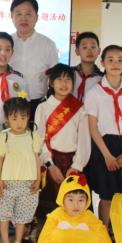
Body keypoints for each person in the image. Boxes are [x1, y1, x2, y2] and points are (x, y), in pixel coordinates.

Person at [86, 46, 122, 230]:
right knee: (107, 196)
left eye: (120, 60)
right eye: (110, 60)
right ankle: (104, 231)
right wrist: (107, 156)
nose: (116, 64)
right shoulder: (94, 93)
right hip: (104, 147)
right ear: (102, 63)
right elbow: (92, 127)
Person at [0, 31, 29, 237]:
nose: (3, 53)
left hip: (14, 139)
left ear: (12, 52)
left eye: (7, 49)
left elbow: (24, 106)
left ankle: (7, 216)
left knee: (12, 178)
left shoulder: (18, 78)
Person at [35, 64, 91, 217]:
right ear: (51, 83)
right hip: (52, 162)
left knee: (75, 204)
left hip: (73, 163)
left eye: (68, 79)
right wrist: (50, 165)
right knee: (51, 208)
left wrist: (76, 166)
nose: (64, 83)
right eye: (59, 79)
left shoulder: (79, 108)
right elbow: (39, 140)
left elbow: (84, 141)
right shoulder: (43, 108)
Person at [36, 174, 112, 243]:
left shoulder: (91, 218)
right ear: (62, 199)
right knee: (57, 235)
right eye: (71, 200)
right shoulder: (55, 216)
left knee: (93, 238)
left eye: (81, 200)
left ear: (87, 201)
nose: (76, 205)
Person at [0, 97, 40, 243]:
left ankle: (18, 242)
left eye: (23, 118)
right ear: (6, 118)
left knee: (23, 214)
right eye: (14, 118)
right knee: (4, 213)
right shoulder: (4, 137)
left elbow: (36, 159)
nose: (19, 122)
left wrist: (38, 179)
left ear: (28, 118)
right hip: (7, 182)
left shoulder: (33, 137)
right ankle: (5, 242)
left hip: (28, 183)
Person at [9, 0, 59, 126]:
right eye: (19, 14)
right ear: (12, 17)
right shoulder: (5, 43)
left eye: (28, 14)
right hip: (10, 103)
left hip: (38, 104)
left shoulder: (48, 44)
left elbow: (56, 77)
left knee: (36, 137)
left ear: (36, 17)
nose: (23, 18)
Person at [72, 32, 103, 103]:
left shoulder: (103, 78)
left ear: (99, 50)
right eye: (85, 47)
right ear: (77, 51)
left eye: (93, 47)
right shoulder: (69, 73)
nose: (89, 51)